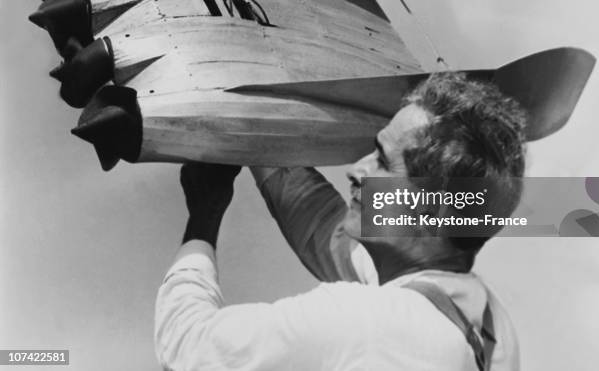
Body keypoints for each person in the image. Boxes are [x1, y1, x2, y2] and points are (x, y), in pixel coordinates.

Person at [155, 73, 526, 371]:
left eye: (382, 161)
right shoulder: (491, 326)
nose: (356, 169)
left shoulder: (366, 325)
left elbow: (186, 347)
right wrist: (259, 142)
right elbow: (326, 234)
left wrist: (204, 219)